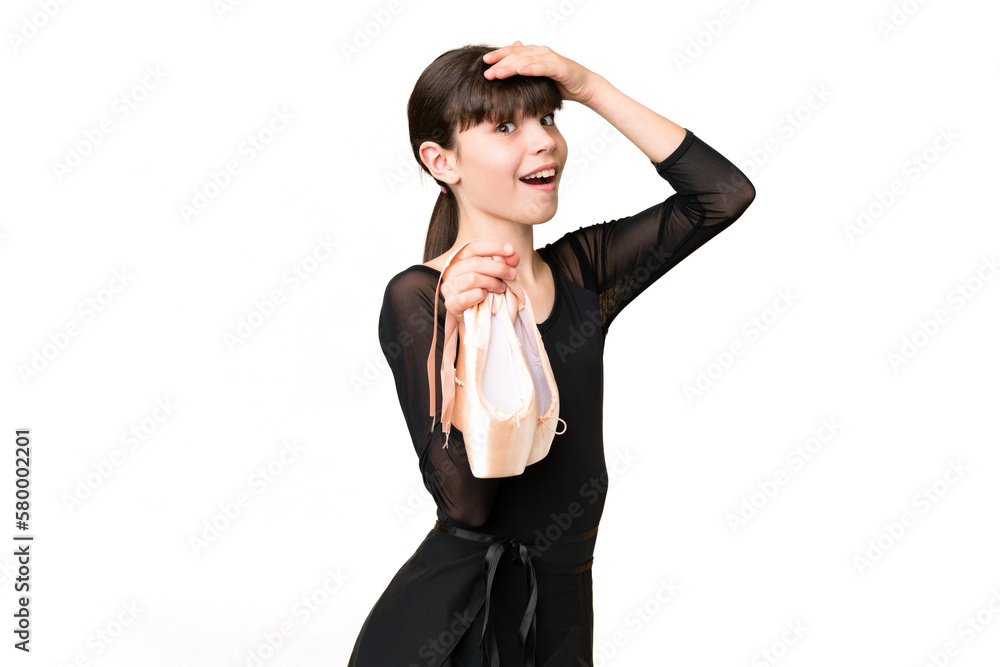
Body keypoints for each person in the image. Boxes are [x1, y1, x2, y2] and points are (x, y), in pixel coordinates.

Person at [348, 41, 755, 666]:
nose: (543, 142)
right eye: (505, 125)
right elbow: (467, 504)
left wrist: (588, 86)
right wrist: (451, 333)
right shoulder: (419, 297)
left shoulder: (583, 275)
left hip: (560, 619)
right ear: (441, 161)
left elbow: (721, 194)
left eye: (547, 118)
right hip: (457, 631)